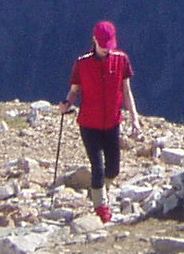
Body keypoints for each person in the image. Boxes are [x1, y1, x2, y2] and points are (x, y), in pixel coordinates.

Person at [59, 20, 142, 223]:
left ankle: (97, 191)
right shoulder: (82, 63)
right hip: (89, 124)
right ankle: (101, 210)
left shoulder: (121, 60)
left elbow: (126, 90)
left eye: (109, 44)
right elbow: (74, 91)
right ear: (95, 40)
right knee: (97, 167)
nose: (107, 49)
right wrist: (67, 104)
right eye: (103, 44)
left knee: (113, 169)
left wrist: (135, 120)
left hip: (112, 122)